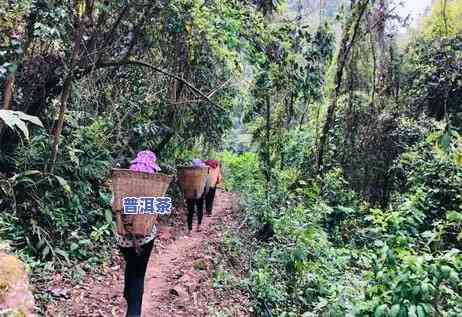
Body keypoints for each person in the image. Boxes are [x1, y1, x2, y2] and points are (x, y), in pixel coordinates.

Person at [116, 150, 160, 317]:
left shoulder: (122, 185)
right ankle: (133, 311)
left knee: (131, 266)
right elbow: (161, 210)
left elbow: (114, 205)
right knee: (138, 275)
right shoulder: (155, 187)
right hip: (144, 239)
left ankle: (128, 296)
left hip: (123, 239)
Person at [185, 159, 206, 233]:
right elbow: (205, 184)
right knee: (199, 209)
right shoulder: (203, 172)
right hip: (199, 192)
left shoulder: (188, 173)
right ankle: (199, 226)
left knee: (190, 211)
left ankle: (189, 229)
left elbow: (184, 184)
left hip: (190, 193)